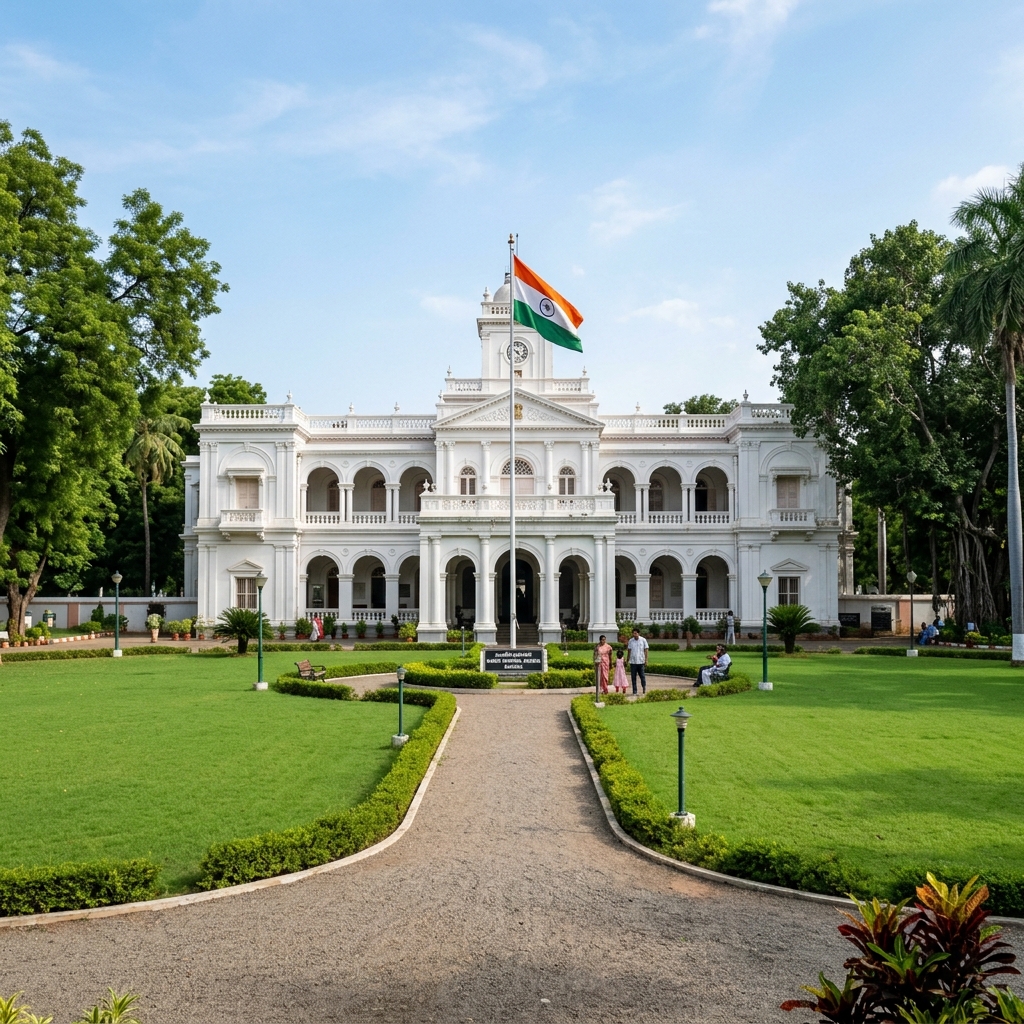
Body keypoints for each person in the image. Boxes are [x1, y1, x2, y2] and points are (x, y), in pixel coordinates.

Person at [626, 627, 649, 695]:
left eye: (635, 633)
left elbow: (646, 650)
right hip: (633, 662)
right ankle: (634, 691)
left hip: (641, 661)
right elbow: (629, 651)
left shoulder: (643, 640)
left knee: (642, 676)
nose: (634, 635)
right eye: (633, 633)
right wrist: (627, 660)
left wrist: (646, 660)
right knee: (633, 677)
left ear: (638, 633)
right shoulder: (631, 641)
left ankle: (644, 687)